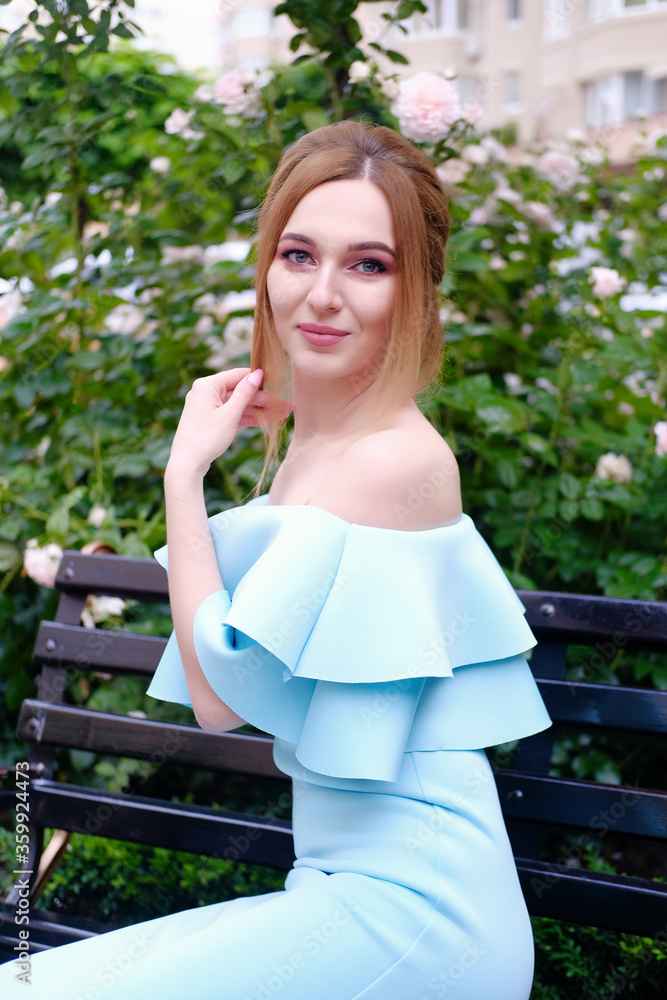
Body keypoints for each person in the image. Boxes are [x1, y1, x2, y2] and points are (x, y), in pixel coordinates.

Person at [1, 120, 551, 999]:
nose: (323, 294)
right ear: (266, 265)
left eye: (368, 265)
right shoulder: (313, 448)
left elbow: (219, 697)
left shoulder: (396, 462)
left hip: (423, 916)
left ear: (416, 292)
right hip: (338, 893)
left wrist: (185, 473)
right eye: (299, 254)